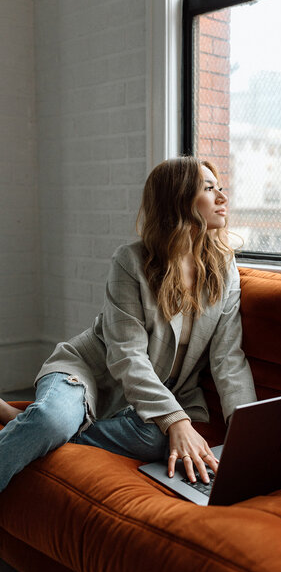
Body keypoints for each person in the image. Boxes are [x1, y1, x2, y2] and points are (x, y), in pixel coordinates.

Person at [0, 156, 256, 492]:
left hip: (152, 399)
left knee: (160, 441)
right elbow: (127, 356)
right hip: (90, 374)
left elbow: (228, 358)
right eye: (209, 189)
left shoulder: (224, 268)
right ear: (177, 200)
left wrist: (249, 431)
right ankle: (45, 424)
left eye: (219, 187)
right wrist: (175, 419)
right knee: (52, 418)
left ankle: (23, 423)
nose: (223, 197)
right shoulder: (130, 262)